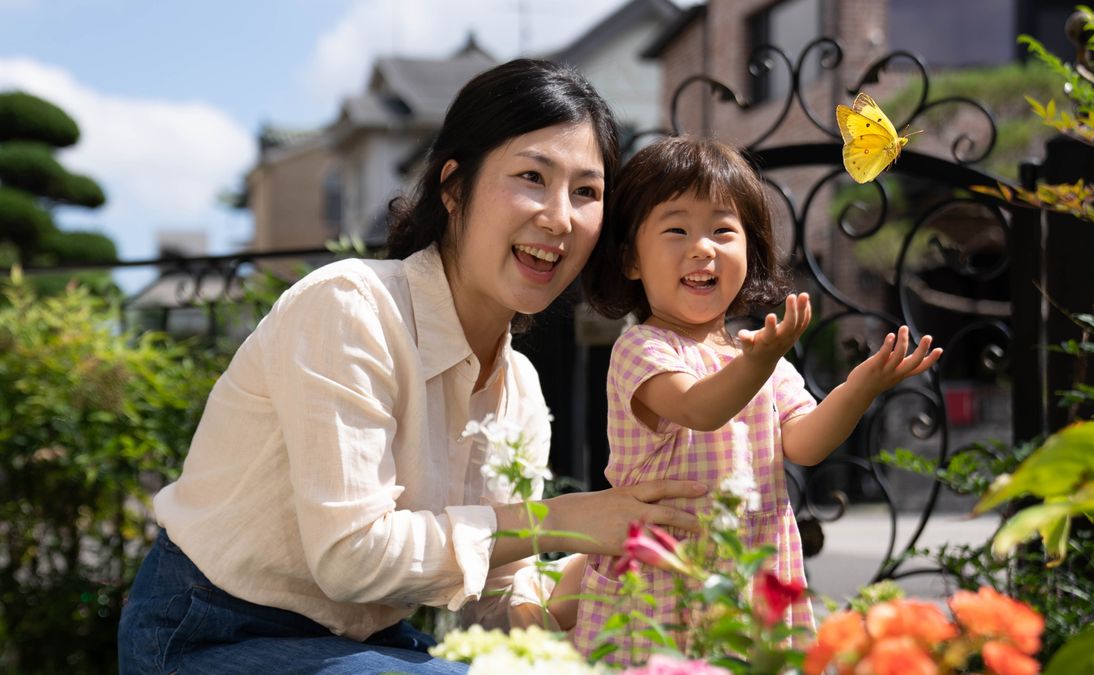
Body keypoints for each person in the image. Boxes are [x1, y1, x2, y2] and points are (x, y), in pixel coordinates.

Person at [117, 59, 709, 675]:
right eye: (533, 176)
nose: (560, 217)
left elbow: (492, 603)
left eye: (586, 192)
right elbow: (351, 556)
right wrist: (562, 520)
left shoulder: (521, 391)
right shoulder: (350, 307)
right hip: (206, 633)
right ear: (453, 187)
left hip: (359, 642)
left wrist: (610, 568)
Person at [571, 136, 942, 663]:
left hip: (752, 573)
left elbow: (806, 443)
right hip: (661, 580)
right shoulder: (643, 347)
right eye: (676, 230)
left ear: (750, 250)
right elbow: (700, 408)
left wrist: (860, 387)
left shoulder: (757, 356)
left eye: (723, 230)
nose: (703, 248)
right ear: (631, 258)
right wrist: (759, 362)